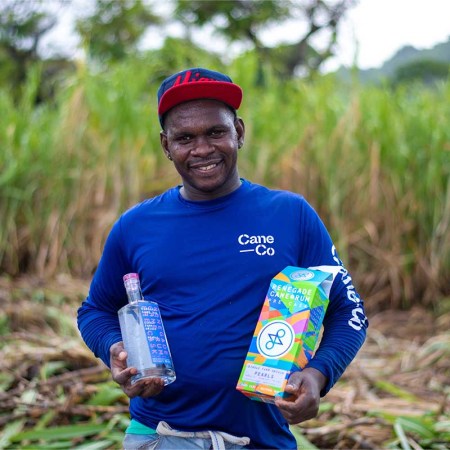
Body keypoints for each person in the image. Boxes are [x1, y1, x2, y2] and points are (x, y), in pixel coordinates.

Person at [77, 67, 368, 450]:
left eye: (216, 132)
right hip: (162, 437)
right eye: (185, 138)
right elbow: (95, 310)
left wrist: (317, 375)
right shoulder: (136, 226)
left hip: (261, 439)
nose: (202, 149)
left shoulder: (290, 215)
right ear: (166, 146)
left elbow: (349, 312)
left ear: (239, 133)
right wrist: (116, 350)